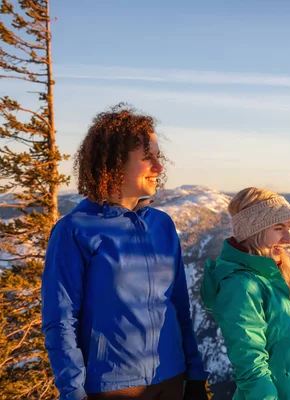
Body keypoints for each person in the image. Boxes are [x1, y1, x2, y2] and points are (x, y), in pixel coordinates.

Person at [42, 104, 209, 400]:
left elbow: (179, 306)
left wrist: (194, 375)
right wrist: (72, 392)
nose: (159, 168)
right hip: (113, 387)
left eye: (159, 157)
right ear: (115, 163)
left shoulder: (162, 225)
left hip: (172, 377)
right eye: (148, 158)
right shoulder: (75, 230)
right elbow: (61, 320)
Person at [200, 187, 290, 400]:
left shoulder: (277, 272)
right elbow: (251, 365)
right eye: (278, 228)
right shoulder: (241, 285)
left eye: (289, 228)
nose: (288, 239)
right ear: (253, 231)